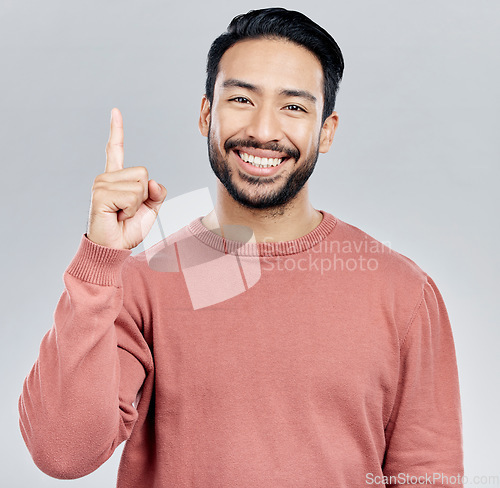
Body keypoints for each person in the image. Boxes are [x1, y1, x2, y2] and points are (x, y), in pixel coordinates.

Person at [18, 7, 464, 487]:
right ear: (206, 113)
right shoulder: (146, 283)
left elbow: (428, 475)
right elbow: (61, 453)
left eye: (293, 106)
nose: (264, 130)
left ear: (327, 130)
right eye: (241, 99)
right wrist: (99, 261)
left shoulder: (402, 292)